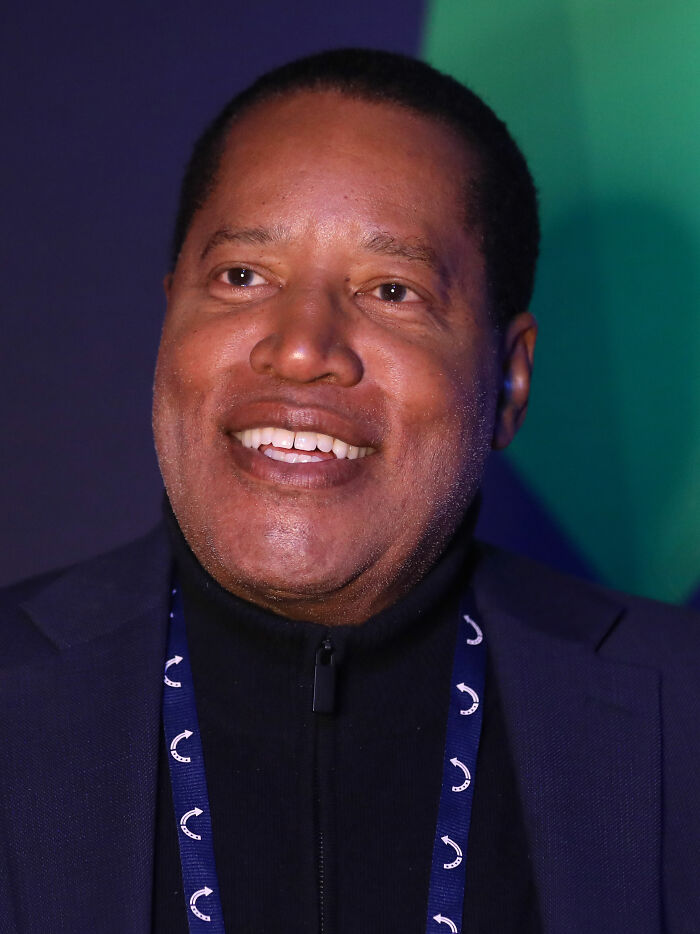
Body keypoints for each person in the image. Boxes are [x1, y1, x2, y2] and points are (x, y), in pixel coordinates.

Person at [0, 48, 697, 934]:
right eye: (243, 276)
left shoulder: (683, 713)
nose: (300, 348)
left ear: (510, 382)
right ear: (170, 317)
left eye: (392, 290)